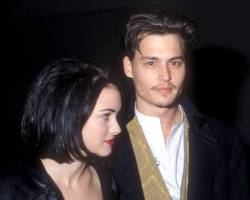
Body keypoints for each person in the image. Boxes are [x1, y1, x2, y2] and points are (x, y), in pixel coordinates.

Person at [111, 10, 250, 200]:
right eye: (151, 63)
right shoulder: (106, 143)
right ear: (129, 67)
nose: (166, 76)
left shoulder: (225, 141)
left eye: (174, 62)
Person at [0, 58, 122, 200]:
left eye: (117, 116)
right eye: (106, 115)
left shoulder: (106, 181)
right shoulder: (12, 192)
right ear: (70, 115)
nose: (117, 128)